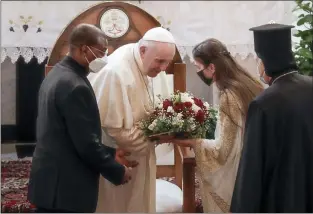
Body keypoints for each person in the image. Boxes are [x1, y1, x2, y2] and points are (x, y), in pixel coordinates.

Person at [28, 24, 135, 213]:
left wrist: (112, 153)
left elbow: (66, 134)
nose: (104, 58)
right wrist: (117, 171)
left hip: (49, 179)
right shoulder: (75, 86)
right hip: (66, 189)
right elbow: (86, 144)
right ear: (84, 48)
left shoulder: (57, 74)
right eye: (101, 52)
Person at [167, 38, 264, 212]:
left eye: (198, 68)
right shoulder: (249, 83)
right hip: (258, 162)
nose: (198, 72)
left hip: (238, 172)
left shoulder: (229, 96)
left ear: (211, 67)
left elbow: (223, 150)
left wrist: (194, 142)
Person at [87, 27, 176, 213]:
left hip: (140, 154)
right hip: (118, 158)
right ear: (143, 50)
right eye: (159, 62)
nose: (162, 69)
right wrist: (157, 137)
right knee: (118, 206)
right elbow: (113, 130)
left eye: (167, 63)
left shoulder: (143, 62)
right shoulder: (116, 72)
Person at [230, 23, 313, 212]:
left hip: (282, 198)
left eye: (259, 60)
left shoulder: (263, 104)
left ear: (266, 60)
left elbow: (252, 168)